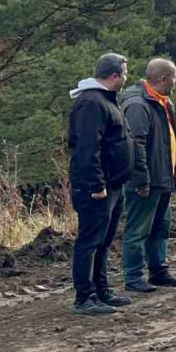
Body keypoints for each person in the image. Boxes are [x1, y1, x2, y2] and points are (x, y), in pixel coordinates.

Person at [68, 53, 135, 316]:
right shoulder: (91, 103)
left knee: (104, 241)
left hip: (114, 185)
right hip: (96, 188)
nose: (127, 78)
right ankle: (84, 297)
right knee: (90, 241)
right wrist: (96, 184)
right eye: (125, 73)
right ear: (115, 75)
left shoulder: (107, 101)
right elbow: (87, 148)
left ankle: (102, 290)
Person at [119, 58, 176, 293]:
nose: (175, 82)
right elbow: (134, 146)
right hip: (145, 182)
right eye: (174, 78)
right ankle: (134, 276)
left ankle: (159, 272)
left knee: (161, 227)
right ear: (164, 79)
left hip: (163, 179)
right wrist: (141, 180)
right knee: (138, 230)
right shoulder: (139, 105)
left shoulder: (163, 102)